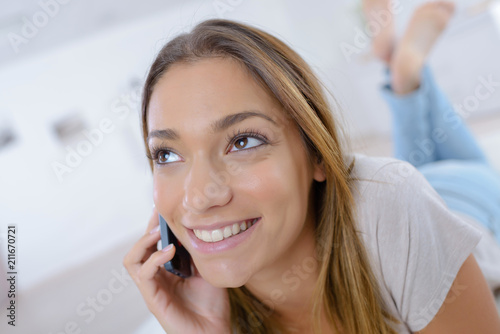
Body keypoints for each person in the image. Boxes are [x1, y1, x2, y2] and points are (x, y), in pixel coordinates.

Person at [123, 3, 500, 333]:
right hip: (407, 196)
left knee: (421, 171)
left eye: (243, 142)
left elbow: (395, 195)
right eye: (167, 155)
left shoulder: (393, 200)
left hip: (469, 195)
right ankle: (406, 74)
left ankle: (405, 75)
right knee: (415, 150)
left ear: (317, 151)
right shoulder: (196, 312)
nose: (199, 196)